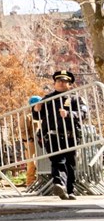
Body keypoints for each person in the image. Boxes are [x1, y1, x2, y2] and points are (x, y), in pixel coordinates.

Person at [34, 70, 85, 199]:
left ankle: (70, 190)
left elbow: (83, 113)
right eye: (58, 81)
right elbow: (37, 116)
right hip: (52, 136)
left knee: (70, 164)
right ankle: (59, 184)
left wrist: (69, 114)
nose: (61, 83)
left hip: (70, 136)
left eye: (64, 81)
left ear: (70, 84)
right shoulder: (48, 98)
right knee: (57, 161)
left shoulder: (75, 98)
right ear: (54, 83)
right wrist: (36, 109)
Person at [23, 95, 42, 186]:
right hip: (31, 141)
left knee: (41, 162)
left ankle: (40, 180)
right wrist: (28, 139)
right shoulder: (27, 116)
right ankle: (30, 182)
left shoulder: (40, 115)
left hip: (40, 141)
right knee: (32, 162)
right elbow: (23, 129)